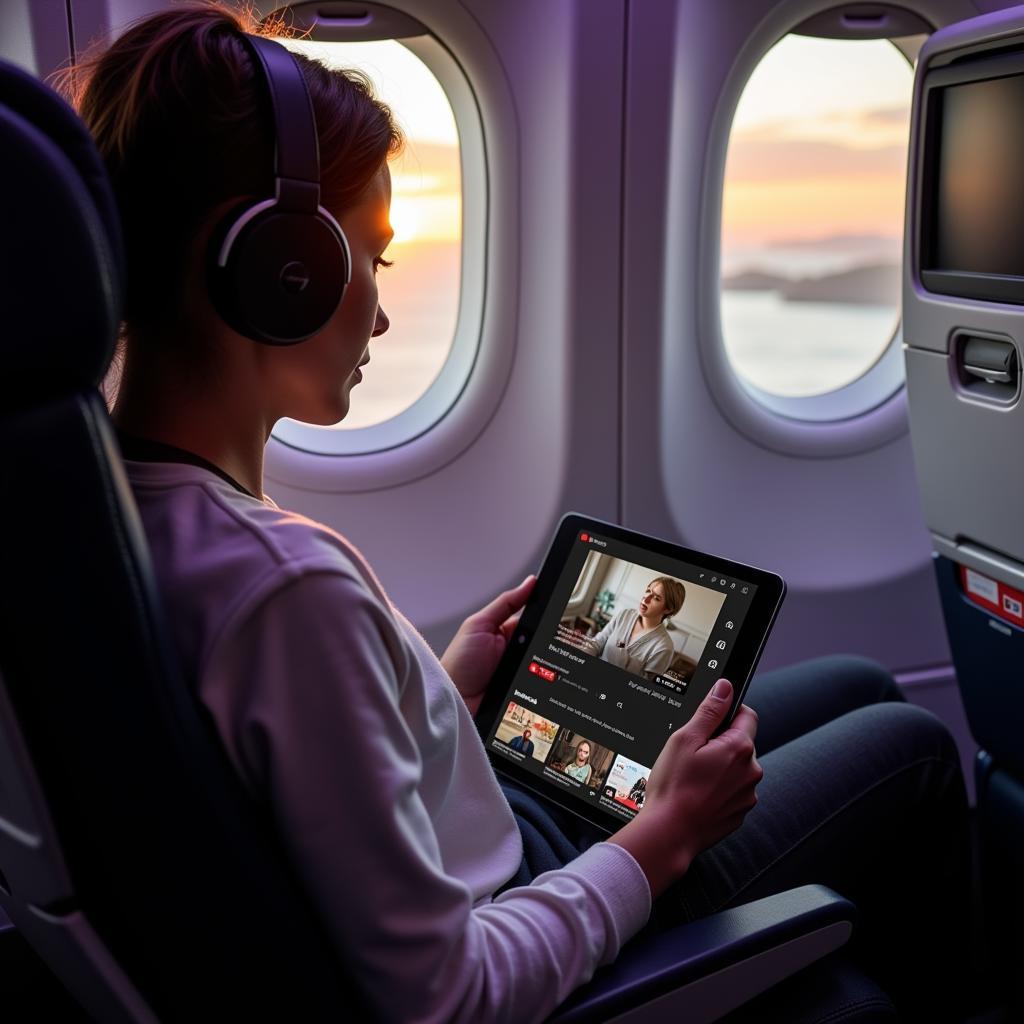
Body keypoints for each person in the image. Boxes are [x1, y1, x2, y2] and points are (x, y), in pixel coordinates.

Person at [66, 6, 970, 1022]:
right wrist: (662, 835)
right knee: (913, 745)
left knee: (853, 678)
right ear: (283, 269)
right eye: (371, 257)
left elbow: (302, 786)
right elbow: (447, 997)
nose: (380, 311)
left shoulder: (115, 510)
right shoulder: (284, 591)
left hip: (484, 841)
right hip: (520, 903)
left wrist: (434, 690)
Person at [582, 577, 682, 679]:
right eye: (648, 591)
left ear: (668, 609)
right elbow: (597, 642)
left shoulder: (664, 647)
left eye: (656, 598)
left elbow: (641, 687)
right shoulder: (625, 614)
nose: (646, 599)